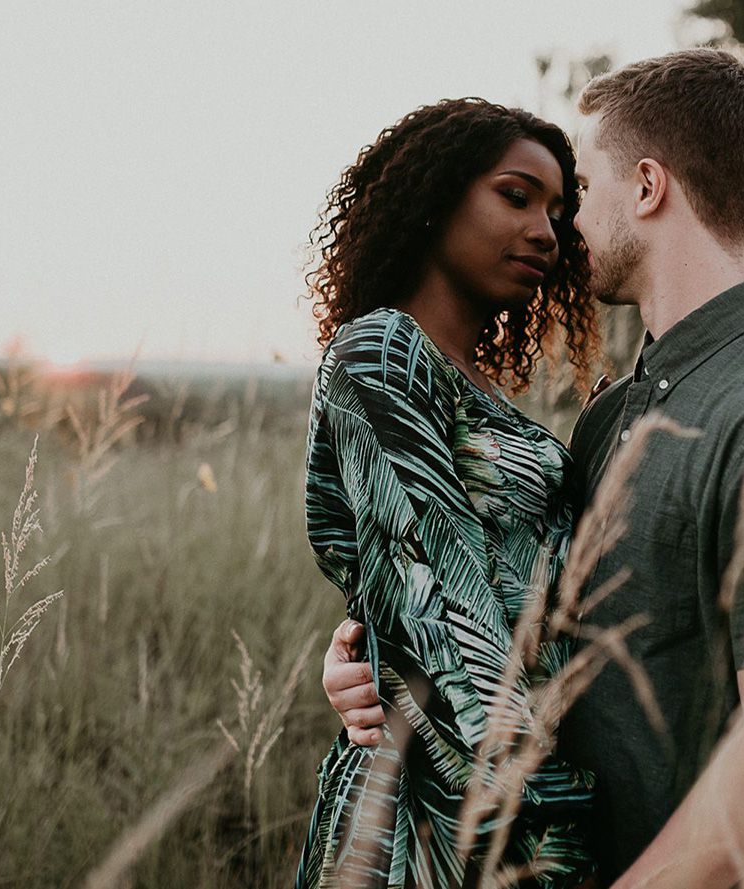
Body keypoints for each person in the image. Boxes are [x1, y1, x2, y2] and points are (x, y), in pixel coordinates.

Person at [321, 49, 744, 888]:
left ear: (647, 187)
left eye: (583, 192)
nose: (565, 228)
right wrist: (371, 662)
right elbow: (517, 628)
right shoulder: (608, 417)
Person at [296, 97, 605, 889]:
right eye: (516, 194)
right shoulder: (382, 351)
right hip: (443, 815)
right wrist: (541, 825)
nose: (546, 229)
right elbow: (440, 612)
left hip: (503, 799)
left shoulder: (473, 383)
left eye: (559, 210)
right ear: (436, 199)